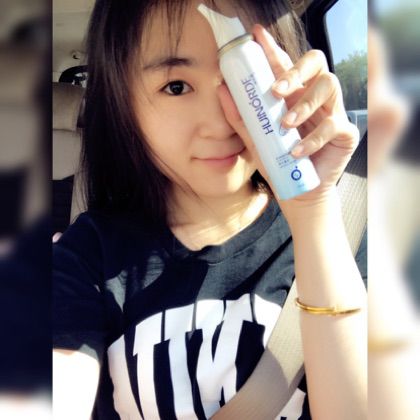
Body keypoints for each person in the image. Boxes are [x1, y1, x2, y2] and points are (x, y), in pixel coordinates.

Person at [53, 0, 367, 419]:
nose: (222, 123)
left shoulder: (346, 232)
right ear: (124, 107)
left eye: (247, 78)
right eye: (176, 87)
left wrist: (314, 212)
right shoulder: (88, 253)